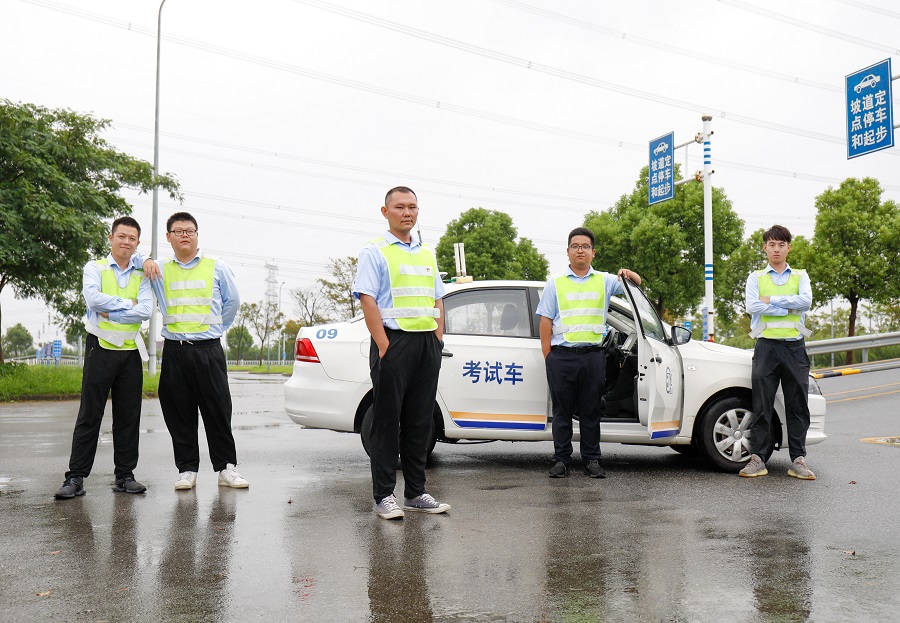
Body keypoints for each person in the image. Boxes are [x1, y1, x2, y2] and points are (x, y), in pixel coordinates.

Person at [353, 186, 450, 519]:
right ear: (385, 212)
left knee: (420, 421)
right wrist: (383, 344)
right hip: (394, 343)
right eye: (399, 207)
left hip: (426, 345)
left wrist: (437, 339)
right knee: (386, 421)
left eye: (412, 207)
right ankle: (384, 495)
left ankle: (416, 493)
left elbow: (437, 298)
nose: (407, 213)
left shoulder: (426, 253)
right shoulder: (375, 251)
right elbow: (367, 298)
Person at [140, 212, 248, 490]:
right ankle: (187, 470)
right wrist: (146, 259)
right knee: (179, 412)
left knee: (218, 411)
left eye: (190, 230)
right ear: (168, 237)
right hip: (174, 351)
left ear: (197, 235)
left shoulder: (217, 266)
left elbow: (233, 302)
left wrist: (216, 329)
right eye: (178, 231)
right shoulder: (159, 269)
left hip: (208, 349)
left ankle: (226, 468)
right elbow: (132, 260)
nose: (185, 235)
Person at [54, 216, 152, 499]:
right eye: (121, 236)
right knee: (90, 414)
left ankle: (125, 476)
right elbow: (93, 299)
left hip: (130, 352)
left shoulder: (142, 274)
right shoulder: (94, 267)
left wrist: (112, 311)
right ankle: (75, 477)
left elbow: (145, 310)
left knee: (128, 416)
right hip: (100, 347)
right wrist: (127, 304)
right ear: (111, 238)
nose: (126, 242)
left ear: (137, 243)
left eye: (132, 238)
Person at [536, 227, 641, 479]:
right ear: (568, 251)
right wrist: (548, 356)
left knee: (591, 411)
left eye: (585, 246)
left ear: (593, 252)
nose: (580, 250)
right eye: (575, 246)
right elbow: (545, 320)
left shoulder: (605, 281)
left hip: (593, 356)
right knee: (562, 412)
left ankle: (592, 459)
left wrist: (628, 273)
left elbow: (636, 285)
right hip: (561, 356)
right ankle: (561, 459)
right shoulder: (555, 282)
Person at [740, 224, 815, 480]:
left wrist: (771, 301)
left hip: (794, 346)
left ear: (788, 248)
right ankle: (758, 458)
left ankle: (798, 459)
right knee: (761, 405)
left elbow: (806, 302)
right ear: (765, 248)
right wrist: (789, 307)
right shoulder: (756, 277)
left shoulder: (801, 276)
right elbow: (752, 306)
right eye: (772, 244)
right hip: (766, 347)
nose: (776, 249)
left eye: (781, 245)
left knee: (797, 405)